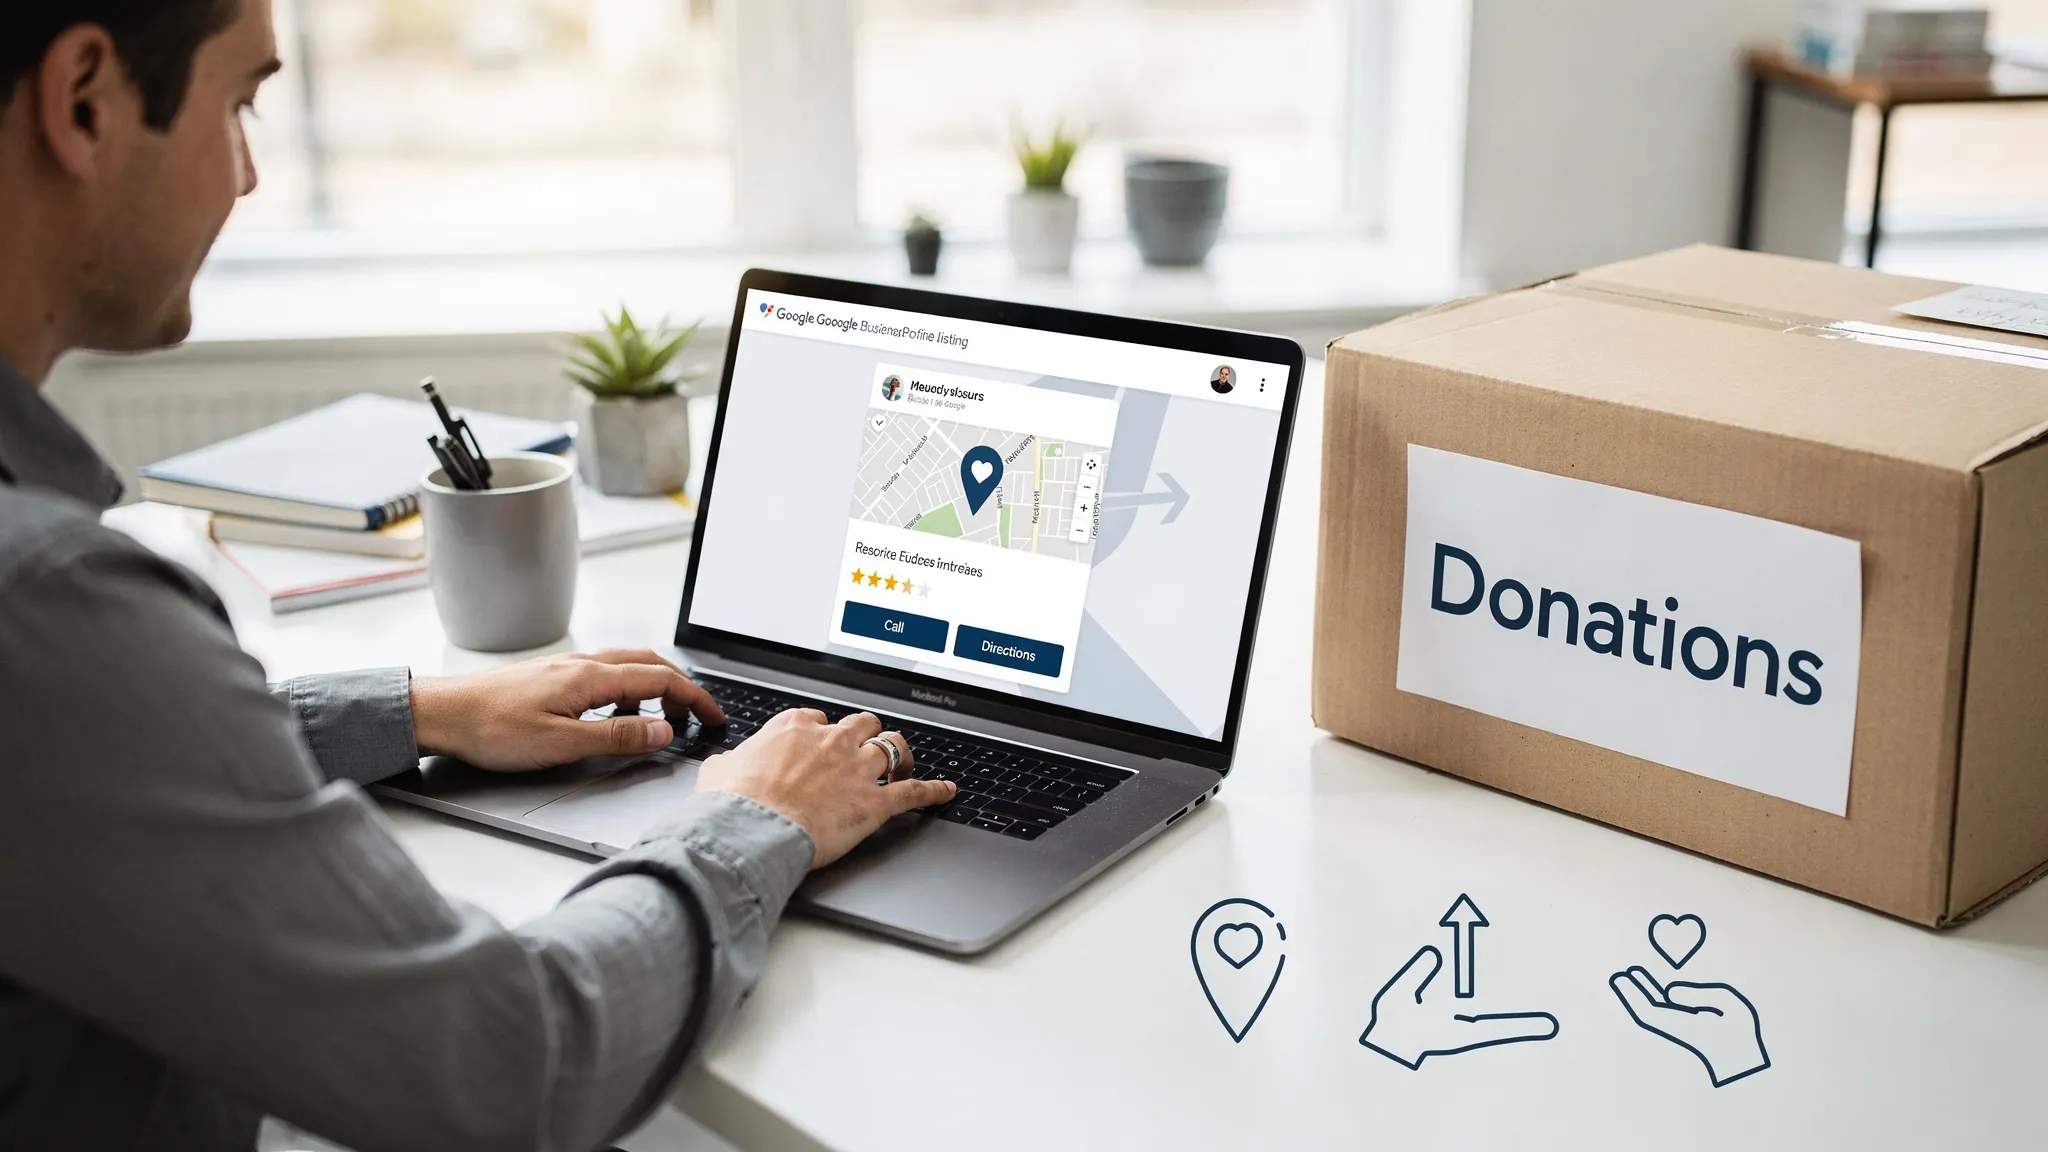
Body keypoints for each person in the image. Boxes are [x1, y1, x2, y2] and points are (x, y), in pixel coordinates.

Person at [0, 3, 956, 1150]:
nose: (249, 176)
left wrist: (423, 712)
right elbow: (518, 1061)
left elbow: (81, 765)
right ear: (85, 101)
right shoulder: (45, 607)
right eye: (240, 103)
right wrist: (752, 822)